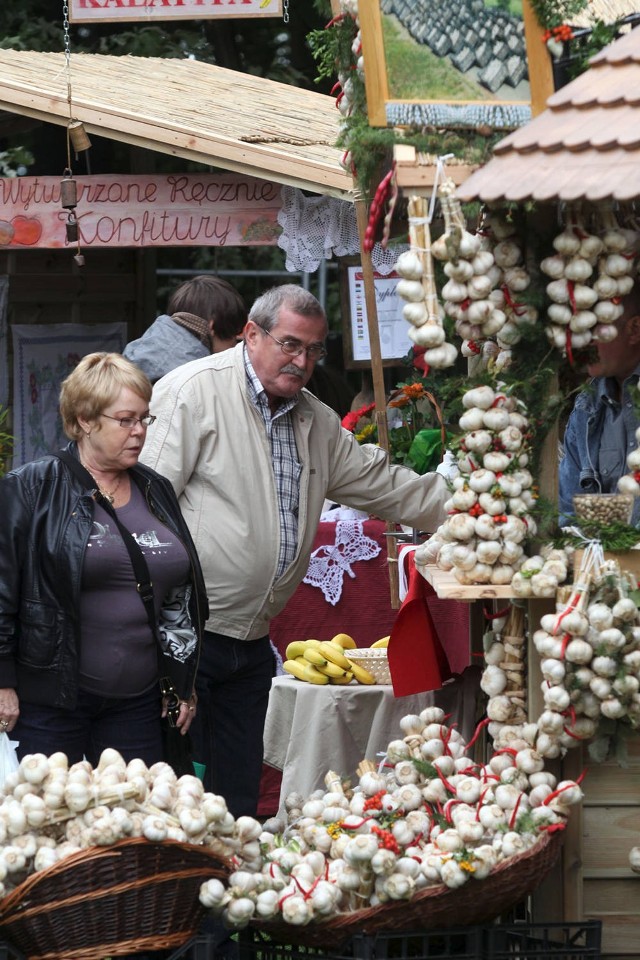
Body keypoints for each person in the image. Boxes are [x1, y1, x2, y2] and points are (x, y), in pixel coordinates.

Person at [140, 283, 449, 817]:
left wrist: (477, 505)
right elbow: (145, 511)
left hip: (253, 639)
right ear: (251, 335)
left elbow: (384, 485)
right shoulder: (193, 392)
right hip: (185, 635)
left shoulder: (315, 419)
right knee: (168, 788)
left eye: (313, 350)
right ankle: (170, 898)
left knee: (235, 795)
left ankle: (226, 897)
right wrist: (160, 633)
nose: (302, 361)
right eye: (289, 344)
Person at [0, 353, 208, 766]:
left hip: (137, 706)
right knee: (53, 824)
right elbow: (2, 591)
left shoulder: (156, 489)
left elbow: (177, 596)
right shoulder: (32, 487)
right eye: (125, 420)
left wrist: (181, 680)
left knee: (133, 824)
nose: (139, 432)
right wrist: (2, 682)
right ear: (84, 421)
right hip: (51, 705)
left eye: (145, 419)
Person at [559, 287, 640, 526]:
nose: (582, 343)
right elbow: (569, 515)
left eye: (592, 331)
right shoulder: (586, 407)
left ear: (634, 330)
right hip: (603, 562)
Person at [123, 274, 247, 383]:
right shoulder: (194, 374)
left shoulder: (138, 351)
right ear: (212, 326)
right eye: (234, 338)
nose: (235, 347)